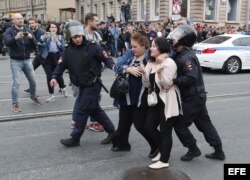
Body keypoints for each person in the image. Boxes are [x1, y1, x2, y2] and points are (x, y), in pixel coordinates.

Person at [50, 20, 116, 147]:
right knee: (95, 110)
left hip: (93, 84)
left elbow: (107, 59)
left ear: (83, 35)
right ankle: (113, 132)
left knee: (82, 109)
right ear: (69, 37)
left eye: (79, 36)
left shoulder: (93, 46)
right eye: (74, 37)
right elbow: (60, 65)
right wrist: (54, 77)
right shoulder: (67, 50)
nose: (78, 39)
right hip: (81, 84)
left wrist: (115, 68)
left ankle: (75, 138)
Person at [167, 25, 225, 161]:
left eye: (177, 36)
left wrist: (174, 80)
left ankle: (193, 149)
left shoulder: (186, 57)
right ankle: (218, 151)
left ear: (184, 39)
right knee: (204, 124)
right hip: (197, 96)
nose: (173, 38)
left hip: (192, 98)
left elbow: (191, 77)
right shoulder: (180, 53)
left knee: (180, 126)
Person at [111, 33, 158, 158]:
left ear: (144, 46)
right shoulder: (130, 56)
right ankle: (122, 144)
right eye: (131, 46)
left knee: (140, 125)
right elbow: (117, 65)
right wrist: (128, 69)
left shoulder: (149, 58)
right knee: (123, 123)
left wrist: (145, 71)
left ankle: (157, 145)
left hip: (140, 98)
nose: (132, 49)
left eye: (135, 47)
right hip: (126, 97)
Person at [141, 37, 182, 169]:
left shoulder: (169, 63)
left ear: (161, 48)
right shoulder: (151, 63)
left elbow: (167, 84)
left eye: (154, 46)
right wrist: (144, 74)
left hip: (168, 101)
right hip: (155, 101)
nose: (151, 48)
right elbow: (147, 84)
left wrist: (160, 74)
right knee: (148, 127)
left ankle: (164, 160)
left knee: (165, 132)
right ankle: (162, 149)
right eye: (151, 46)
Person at [4, 13, 41, 112]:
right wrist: (16, 38)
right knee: (17, 83)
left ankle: (33, 96)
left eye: (21, 18)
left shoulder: (27, 29)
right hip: (16, 61)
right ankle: (15, 104)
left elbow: (35, 43)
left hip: (27, 60)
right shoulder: (9, 30)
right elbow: (7, 42)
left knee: (33, 81)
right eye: (18, 19)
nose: (21, 20)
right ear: (13, 21)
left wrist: (31, 37)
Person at [40, 21, 68, 103]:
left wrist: (56, 40)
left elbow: (62, 48)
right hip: (48, 57)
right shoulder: (46, 35)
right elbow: (41, 41)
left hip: (57, 56)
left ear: (57, 29)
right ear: (49, 28)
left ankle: (63, 87)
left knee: (57, 74)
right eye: (52, 27)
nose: (53, 29)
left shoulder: (60, 37)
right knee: (49, 76)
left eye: (55, 27)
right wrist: (46, 36)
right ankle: (51, 94)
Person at [24, 17, 45, 93]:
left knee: (50, 73)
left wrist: (32, 39)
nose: (31, 24)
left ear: (36, 23)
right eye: (30, 23)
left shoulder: (41, 32)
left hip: (44, 56)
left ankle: (62, 86)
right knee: (30, 70)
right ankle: (31, 88)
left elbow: (39, 43)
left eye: (33, 23)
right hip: (39, 55)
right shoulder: (30, 31)